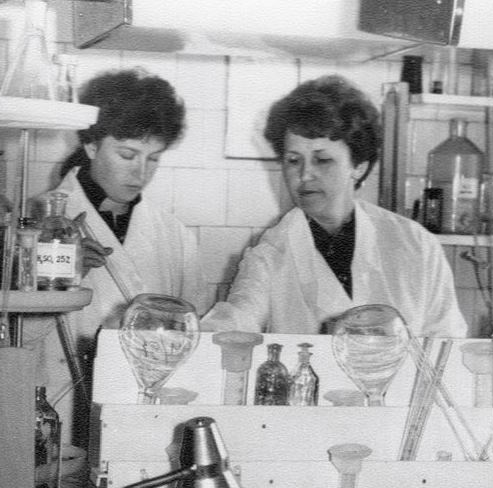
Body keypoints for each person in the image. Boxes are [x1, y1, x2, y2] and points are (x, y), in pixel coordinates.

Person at [202, 74, 467, 337]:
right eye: (293, 160)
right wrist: (215, 333)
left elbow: (446, 341)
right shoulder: (270, 251)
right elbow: (238, 317)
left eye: (322, 160)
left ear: (358, 166)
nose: (304, 175)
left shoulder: (416, 244)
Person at [28, 69, 206, 448]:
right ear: (92, 145)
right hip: (58, 411)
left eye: (153, 159)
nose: (140, 173)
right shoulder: (36, 220)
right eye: (127, 154)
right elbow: (5, 335)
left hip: (146, 420)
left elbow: (194, 338)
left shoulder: (174, 235)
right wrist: (62, 280)